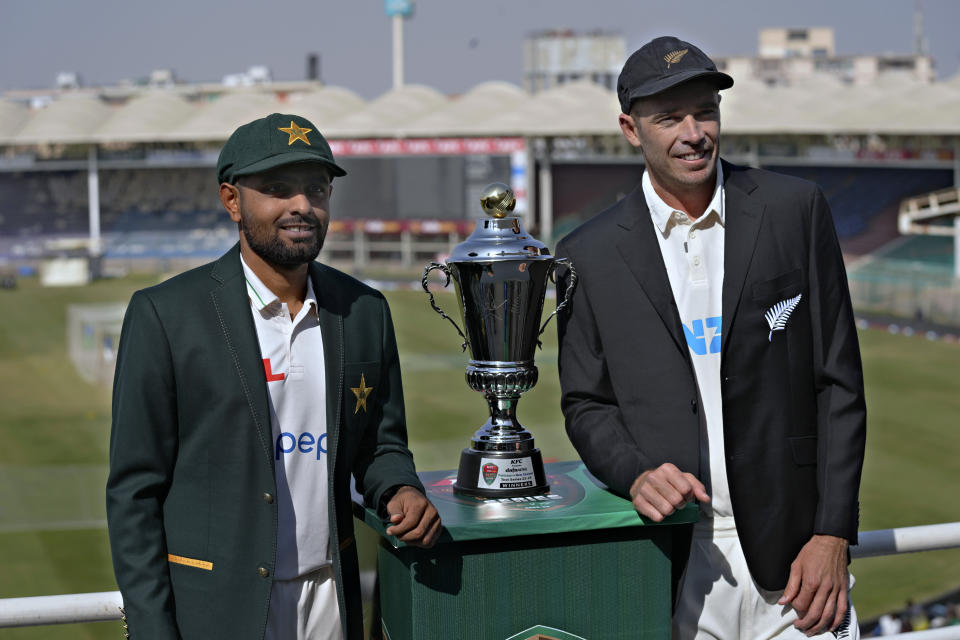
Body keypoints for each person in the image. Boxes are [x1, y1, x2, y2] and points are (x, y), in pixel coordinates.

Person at [556, 37, 866, 639]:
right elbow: (586, 403)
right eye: (669, 118)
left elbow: (838, 382)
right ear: (629, 128)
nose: (693, 132)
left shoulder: (794, 209)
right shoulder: (586, 255)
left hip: (798, 562)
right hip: (667, 560)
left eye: (705, 111)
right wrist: (636, 473)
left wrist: (832, 533)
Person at [106, 112, 441, 640]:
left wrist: (398, 487)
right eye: (278, 189)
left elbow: (380, 443)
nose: (302, 206)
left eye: (316, 189)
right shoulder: (164, 315)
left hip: (331, 599)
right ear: (232, 200)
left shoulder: (365, 310)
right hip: (220, 610)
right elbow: (134, 493)